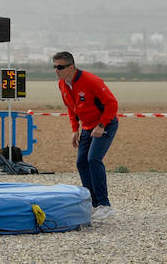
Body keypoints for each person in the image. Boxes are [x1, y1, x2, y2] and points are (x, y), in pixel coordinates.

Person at [54, 50, 119, 223]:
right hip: (87, 127)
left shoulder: (91, 81)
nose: (57, 70)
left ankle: (105, 206)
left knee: (93, 160)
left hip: (105, 124)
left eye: (60, 67)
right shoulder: (62, 85)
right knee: (81, 162)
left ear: (72, 67)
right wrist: (75, 129)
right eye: (54, 67)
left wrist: (102, 125)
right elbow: (71, 107)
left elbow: (112, 103)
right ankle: (92, 203)